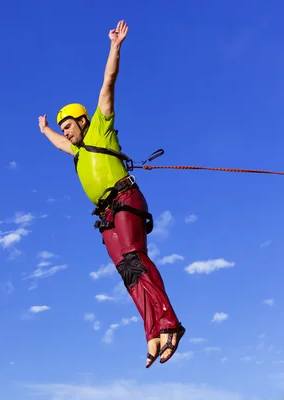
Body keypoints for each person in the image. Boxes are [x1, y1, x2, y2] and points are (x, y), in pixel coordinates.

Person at [37, 20, 185, 368]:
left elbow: (108, 83)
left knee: (137, 256)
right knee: (127, 271)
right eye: (63, 129)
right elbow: (59, 142)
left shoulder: (100, 127)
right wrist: (45, 130)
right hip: (105, 215)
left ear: (83, 121)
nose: (66, 132)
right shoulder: (75, 152)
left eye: (68, 125)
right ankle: (152, 331)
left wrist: (115, 46)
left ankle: (170, 324)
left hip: (124, 198)